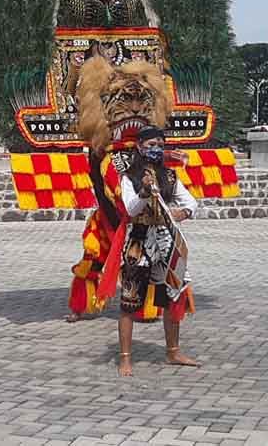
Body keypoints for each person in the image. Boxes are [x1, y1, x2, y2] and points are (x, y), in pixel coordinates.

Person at [114, 126, 199, 376]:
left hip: (166, 242)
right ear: (140, 147)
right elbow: (130, 209)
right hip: (139, 243)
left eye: (160, 144)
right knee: (130, 301)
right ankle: (125, 358)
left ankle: (173, 352)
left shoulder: (170, 176)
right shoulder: (129, 176)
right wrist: (143, 192)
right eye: (150, 145)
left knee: (174, 295)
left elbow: (191, 201)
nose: (156, 149)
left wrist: (183, 212)